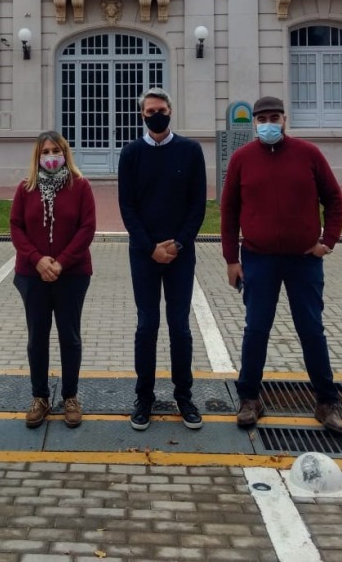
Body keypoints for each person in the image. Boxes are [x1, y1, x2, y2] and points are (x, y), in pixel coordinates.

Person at [220, 95, 342, 434]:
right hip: (258, 260)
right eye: (262, 120)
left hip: (304, 260)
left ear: (285, 121)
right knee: (256, 330)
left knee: (311, 331)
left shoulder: (309, 155)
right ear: (255, 124)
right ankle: (249, 398)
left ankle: (327, 401)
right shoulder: (241, 159)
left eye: (274, 118)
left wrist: (328, 242)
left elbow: (334, 199)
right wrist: (231, 259)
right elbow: (229, 211)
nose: (268, 124)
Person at [118, 88, 207, 431]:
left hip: (181, 255)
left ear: (171, 111)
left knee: (180, 327)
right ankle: (144, 397)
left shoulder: (190, 150)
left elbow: (198, 204)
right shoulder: (131, 153)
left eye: (162, 109)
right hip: (144, 255)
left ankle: (184, 396)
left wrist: (179, 245)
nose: (157, 115)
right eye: (150, 111)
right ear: (142, 115)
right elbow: (127, 206)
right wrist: (150, 247)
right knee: (146, 325)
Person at [10, 131, 96, 429]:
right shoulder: (25, 188)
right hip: (32, 275)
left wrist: (61, 262)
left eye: (55, 151)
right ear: (37, 156)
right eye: (45, 151)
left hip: (71, 274)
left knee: (69, 336)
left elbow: (87, 228)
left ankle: (70, 396)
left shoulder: (81, 186)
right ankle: (40, 397)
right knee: (38, 337)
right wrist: (38, 259)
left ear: (65, 153)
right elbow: (16, 227)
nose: (50, 156)